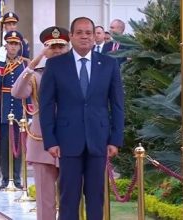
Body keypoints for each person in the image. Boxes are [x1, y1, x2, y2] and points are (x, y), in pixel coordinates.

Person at [39, 17, 124, 220]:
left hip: (99, 139)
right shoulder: (55, 64)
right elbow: (46, 105)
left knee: (96, 197)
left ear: (95, 36)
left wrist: (115, 139)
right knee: (69, 197)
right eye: (79, 32)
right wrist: (50, 140)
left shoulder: (109, 64)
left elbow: (118, 104)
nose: (84, 36)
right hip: (67, 140)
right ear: (71, 36)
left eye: (88, 32)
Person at [12, 26, 69, 220]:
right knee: (45, 201)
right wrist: (35, 61)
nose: (57, 51)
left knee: (71, 198)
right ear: (45, 48)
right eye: (52, 47)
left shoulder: (77, 73)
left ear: (68, 47)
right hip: (42, 143)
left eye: (61, 46)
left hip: (71, 142)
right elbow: (17, 92)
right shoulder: (36, 75)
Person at [0, 30, 29, 190]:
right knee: (5, 146)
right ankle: (6, 179)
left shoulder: (25, 64)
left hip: (20, 109)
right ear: (5, 45)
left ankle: (17, 178)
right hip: (5, 108)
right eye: (10, 43)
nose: (12, 47)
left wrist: (30, 111)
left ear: (19, 46)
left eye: (15, 44)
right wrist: (0, 63)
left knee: (18, 146)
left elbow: (29, 88)